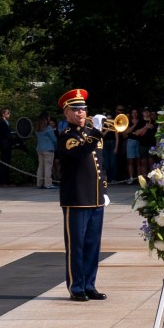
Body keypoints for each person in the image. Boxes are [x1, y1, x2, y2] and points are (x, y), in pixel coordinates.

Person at [55, 90, 109, 302]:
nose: (80, 112)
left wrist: (103, 190)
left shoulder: (91, 133)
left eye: (83, 108)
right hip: (76, 198)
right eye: (75, 109)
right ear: (66, 113)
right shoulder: (66, 135)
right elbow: (79, 153)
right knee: (76, 245)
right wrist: (96, 132)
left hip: (95, 197)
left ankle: (89, 284)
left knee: (92, 245)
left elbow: (101, 165)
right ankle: (76, 287)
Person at [34, 115, 57, 188]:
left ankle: (39, 183)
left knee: (40, 167)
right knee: (48, 167)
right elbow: (54, 139)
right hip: (48, 149)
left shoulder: (37, 128)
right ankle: (48, 184)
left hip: (39, 149)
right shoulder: (49, 128)